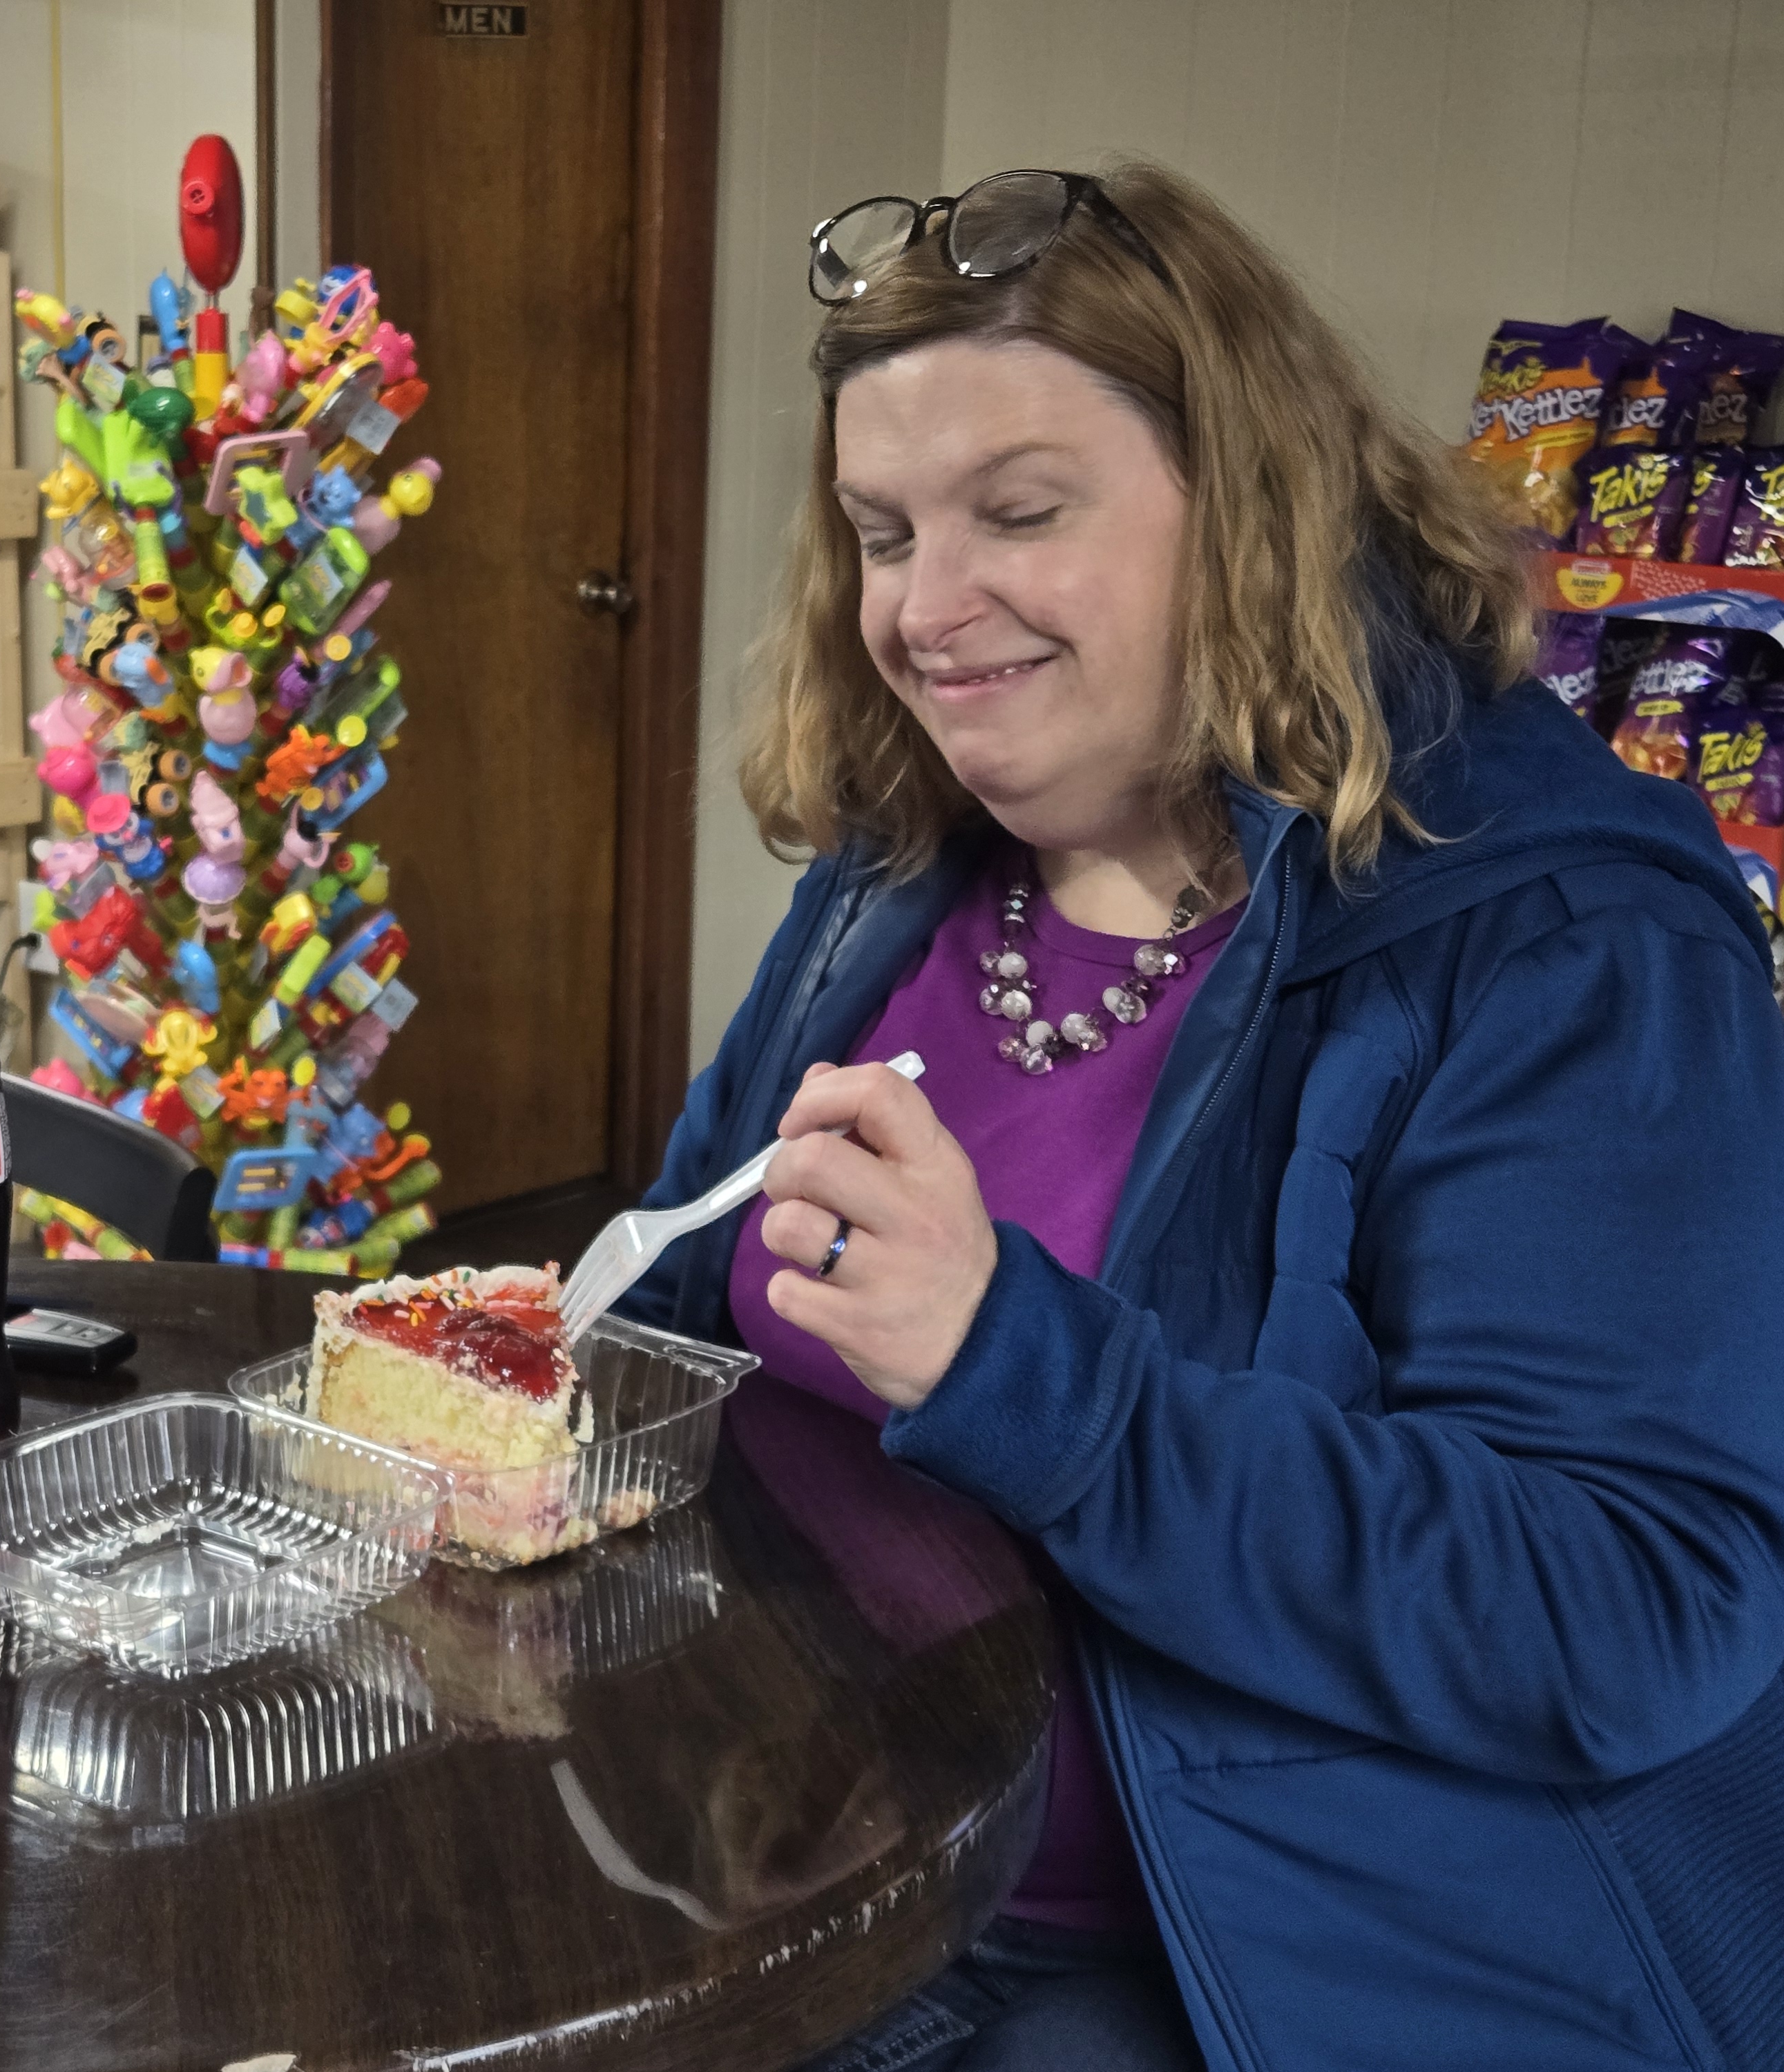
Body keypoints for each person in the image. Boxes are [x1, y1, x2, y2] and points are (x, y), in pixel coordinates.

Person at [619, 162, 1784, 2072]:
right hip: (808, 1865)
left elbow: (1631, 1608)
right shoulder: (892, 871)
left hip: (1239, 1967)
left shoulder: (1562, 936)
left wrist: (1025, 1373)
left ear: (1255, 508)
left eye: (1022, 512)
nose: (925, 609)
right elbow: (675, 1301)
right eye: (881, 531)